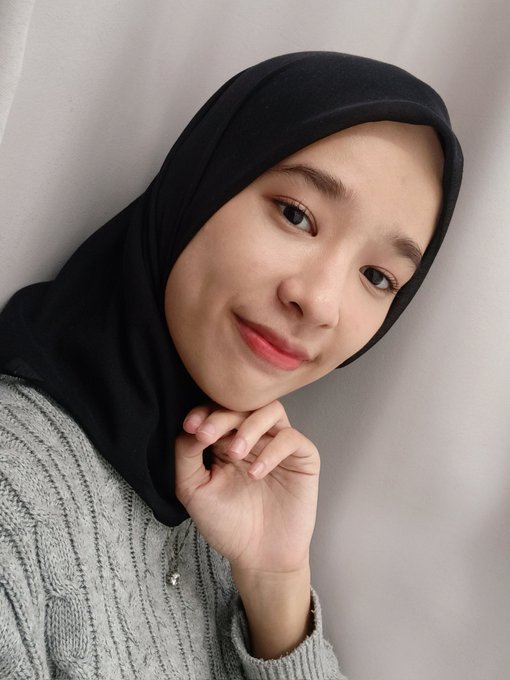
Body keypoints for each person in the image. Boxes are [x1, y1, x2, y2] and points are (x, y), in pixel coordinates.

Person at [0, 52, 462, 679]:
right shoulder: (14, 491)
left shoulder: (237, 508)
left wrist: (276, 586)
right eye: (296, 215)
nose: (320, 302)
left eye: (378, 277)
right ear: (201, 183)